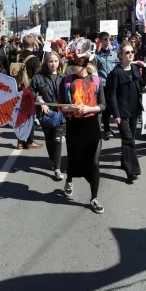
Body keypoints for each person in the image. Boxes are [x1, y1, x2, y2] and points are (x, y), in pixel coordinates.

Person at [58, 38, 106, 214]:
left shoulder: (96, 80)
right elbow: (60, 105)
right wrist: (68, 108)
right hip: (74, 126)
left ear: (84, 62)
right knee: (74, 158)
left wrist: (89, 108)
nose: (71, 66)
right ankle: (69, 179)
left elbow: (103, 105)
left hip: (92, 126)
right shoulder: (67, 81)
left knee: (93, 162)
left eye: (75, 63)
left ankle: (94, 198)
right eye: (70, 62)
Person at [106, 42, 146, 183]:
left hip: (134, 110)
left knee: (129, 139)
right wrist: (116, 114)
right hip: (122, 112)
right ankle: (132, 171)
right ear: (120, 56)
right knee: (129, 139)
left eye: (131, 52)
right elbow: (111, 95)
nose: (130, 54)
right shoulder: (115, 73)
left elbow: (142, 85)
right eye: (127, 52)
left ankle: (125, 162)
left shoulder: (135, 68)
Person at [30, 51, 66, 181]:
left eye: (56, 61)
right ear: (46, 62)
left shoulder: (64, 76)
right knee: (50, 140)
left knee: (57, 139)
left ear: (59, 62)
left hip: (62, 113)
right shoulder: (38, 77)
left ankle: (57, 168)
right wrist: (40, 101)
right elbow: (30, 91)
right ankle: (53, 160)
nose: (53, 64)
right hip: (47, 114)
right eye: (51, 61)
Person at [15, 35, 43, 150]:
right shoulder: (34, 59)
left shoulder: (17, 56)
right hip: (29, 90)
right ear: (33, 45)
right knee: (30, 116)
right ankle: (30, 141)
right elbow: (38, 77)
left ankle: (20, 142)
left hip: (18, 89)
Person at [95, 32, 120, 140]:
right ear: (100, 41)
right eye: (105, 39)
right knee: (105, 109)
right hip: (103, 85)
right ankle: (106, 129)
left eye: (109, 39)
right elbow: (95, 71)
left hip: (114, 85)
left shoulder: (115, 55)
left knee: (115, 106)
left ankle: (120, 127)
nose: (107, 41)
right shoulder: (96, 56)